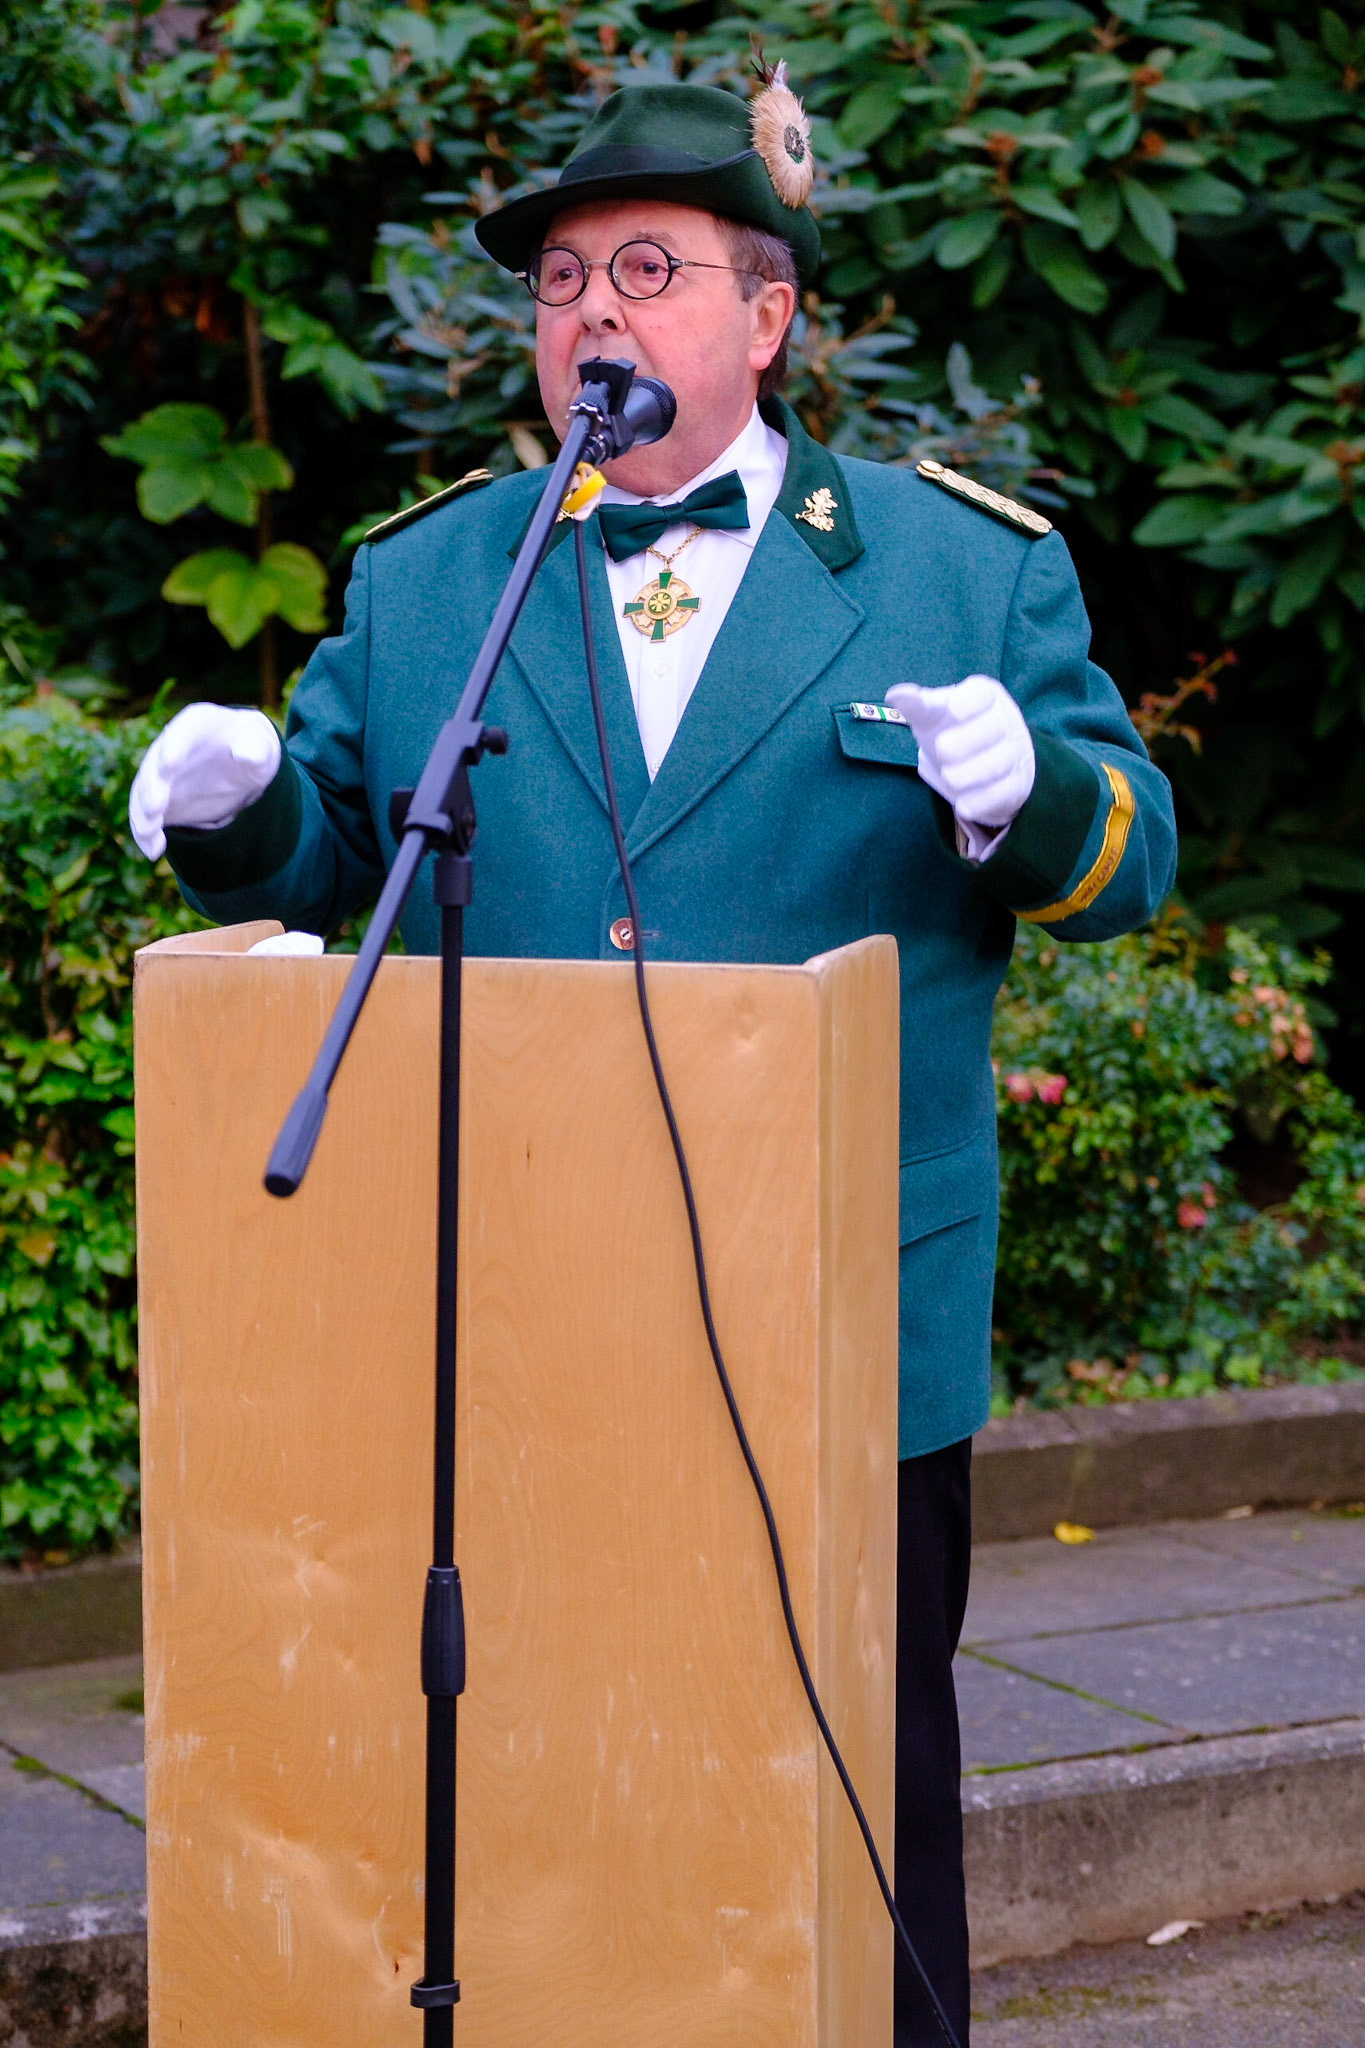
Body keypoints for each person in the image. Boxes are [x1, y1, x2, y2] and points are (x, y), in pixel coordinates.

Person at [128, 70, 1176, 2046]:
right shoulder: (437, 577)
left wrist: (1029, 797)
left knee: (858, 1808)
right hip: (511, 1321)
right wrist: (242, 809)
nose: (589, 315)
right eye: (558, 284)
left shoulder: (962, 571)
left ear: (764, 316)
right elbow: (341, 845)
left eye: (646, 271)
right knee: (540, 1786)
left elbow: (1129, 859)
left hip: (841, 1314)